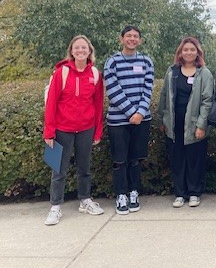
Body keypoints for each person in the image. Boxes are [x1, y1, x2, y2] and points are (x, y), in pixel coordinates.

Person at [43, 35, 105, 225]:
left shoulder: (95, 74)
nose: (80, 51)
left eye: (84, 48)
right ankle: (55, 207)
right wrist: (49, 132)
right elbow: (51, 103)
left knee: (84, 168)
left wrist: (97, 131)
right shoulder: (61, 72)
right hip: (62, 129)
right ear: (71, 51)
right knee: (57, 169)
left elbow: (98, 104)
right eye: (77, 48)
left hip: (86, 128)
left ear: (89, 51)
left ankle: (85, 200)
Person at [155, 36, 213, 208]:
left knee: (195, 159)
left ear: (198, 52)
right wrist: (161, 119)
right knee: (177, 159)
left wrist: (201, 125)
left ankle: (194, 193)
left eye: (192, 49)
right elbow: (164, 96)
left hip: (195, 124)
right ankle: (180, 193)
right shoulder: (172, 71)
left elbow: (207, 100)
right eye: (185, 49)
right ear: (180, 52)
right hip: (174, 124)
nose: (188, 52)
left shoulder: (204, 73)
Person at [104, 25, 154, 215]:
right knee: (119, 160)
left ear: (140, 40)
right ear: (121, 39)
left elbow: (148, 89)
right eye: (128, 36)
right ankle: (121, 194)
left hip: (141, 120)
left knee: (136, 159)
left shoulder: (146, 61)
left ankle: (134, 192)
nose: (132, 39)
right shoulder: (112, 62)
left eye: (135, 36)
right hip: (118, 121)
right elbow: (112, 89)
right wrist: (131, 112)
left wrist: (140, 113)